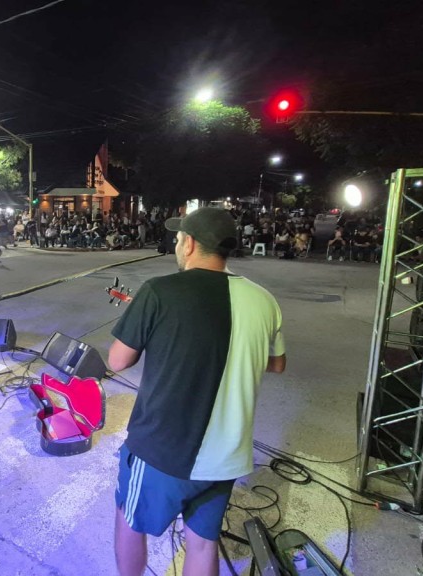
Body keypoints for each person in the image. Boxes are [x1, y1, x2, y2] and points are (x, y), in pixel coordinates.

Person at [107, 207, 286, 576]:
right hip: (227, 455)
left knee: (129, 518)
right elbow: (277, 362)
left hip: (164, 449)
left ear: (189, 244)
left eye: (177, 239)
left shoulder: (160, 290)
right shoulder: (263, 299)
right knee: (202, 542)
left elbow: (118, 360)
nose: (175, 244)